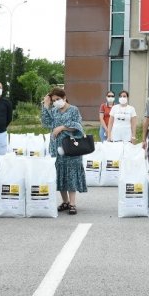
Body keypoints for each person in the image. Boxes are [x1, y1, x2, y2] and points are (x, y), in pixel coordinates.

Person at [41, 87, 87, 215]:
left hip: (71, 146)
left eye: (58, 99)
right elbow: (46, 123)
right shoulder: (54, 110)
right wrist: (46, 105)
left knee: (71, 173)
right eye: (54, 100)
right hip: (57, 147)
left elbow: (78, 125)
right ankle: (65, 201)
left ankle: (72, 203)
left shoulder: (73, 109)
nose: (56, 102)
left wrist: (62, 127)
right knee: (60, 174)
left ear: (64, 98)